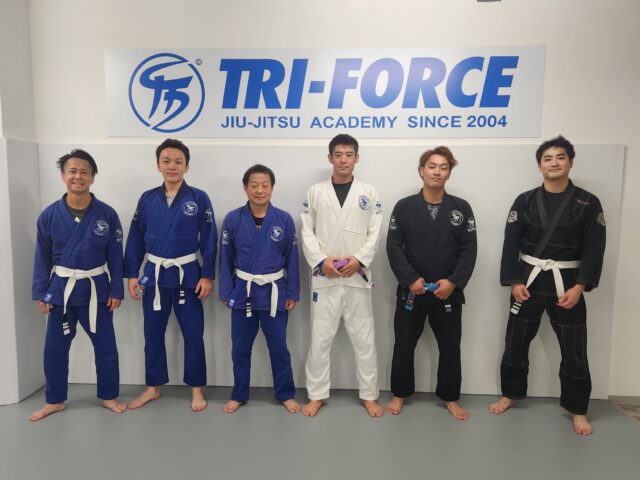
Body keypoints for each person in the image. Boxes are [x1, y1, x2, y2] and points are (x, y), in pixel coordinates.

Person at [488, 135, 606, 436]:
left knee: (574, 349)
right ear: (539, 166)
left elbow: (595, 248)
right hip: (527, 282)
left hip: (568, 284)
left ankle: (578, 409)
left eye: (560, 157)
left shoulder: (588, 202)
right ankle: (510, 394)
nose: (554, 163)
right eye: (548, 158)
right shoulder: (525, 200)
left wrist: (581, 286)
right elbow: (511, 243)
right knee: (515, 342)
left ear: (570, 162)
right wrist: (513, 281)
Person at [30, 149, 126, 421]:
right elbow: (42, 257)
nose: (78, 176)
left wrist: (116, 290)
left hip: (97, 291)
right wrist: (41, 292)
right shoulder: (49, 215)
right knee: (55, 350)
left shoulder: (107, 214)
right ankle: (54, 400)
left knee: (106, 347)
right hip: (61, 291)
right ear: (63, 175)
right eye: (72, 171)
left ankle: (109, 395)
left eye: (84, 172)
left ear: (93, 177)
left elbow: (115, 257)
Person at [124, 138, 217, 412]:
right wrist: (132, 273)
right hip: (154, 274)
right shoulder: (147, 198)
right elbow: (135, 237)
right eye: (166, 161)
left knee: (193, 333)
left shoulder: (199, 198)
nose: (172, 166)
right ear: (158, 165)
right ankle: (152, 387)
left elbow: (209, 238)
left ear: (187, 166)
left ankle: (197, 389)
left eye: (178, 161)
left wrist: (207, 275)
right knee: (152, 332)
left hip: (188, 274)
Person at [385, 147, 477, 420]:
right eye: (432, 166)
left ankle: (450, 397)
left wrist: (454, 282)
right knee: (404, 344)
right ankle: (400, 393)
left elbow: (469, 249)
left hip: (446, 292)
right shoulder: (404, 207)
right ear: (421, 170)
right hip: (412, 290)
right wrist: (410, 279)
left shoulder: (461, 208)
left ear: (449, 173)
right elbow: (393, 246)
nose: (437, 171)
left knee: (450, 346)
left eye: (443, 167)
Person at [300, 133, 384, 417]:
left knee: (364, 340)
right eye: (338, 155)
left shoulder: (369, 192)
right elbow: (306, 231)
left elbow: (375, 233)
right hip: (325, 277)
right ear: (330, 158)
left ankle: (369, 395)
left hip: (356, 276)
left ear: (357, 158)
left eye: (349, 155)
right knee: (320, 339)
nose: (343, 160)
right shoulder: (315, 192)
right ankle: (316, 395)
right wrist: (321, 261)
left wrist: (358, 259)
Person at [219, 165, 300, 414]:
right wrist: (226, 291)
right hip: (242, 292)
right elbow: (225, 258)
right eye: (254, 185)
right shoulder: (233, 219)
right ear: (245, 188)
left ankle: (285, 394)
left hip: (274, 293)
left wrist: (291, 292)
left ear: (272, 188)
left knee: (279, 348)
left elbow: (292, 259)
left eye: (265, 185)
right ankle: (239, 394)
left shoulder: (284, 219)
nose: (260, 190)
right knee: (240, 349)